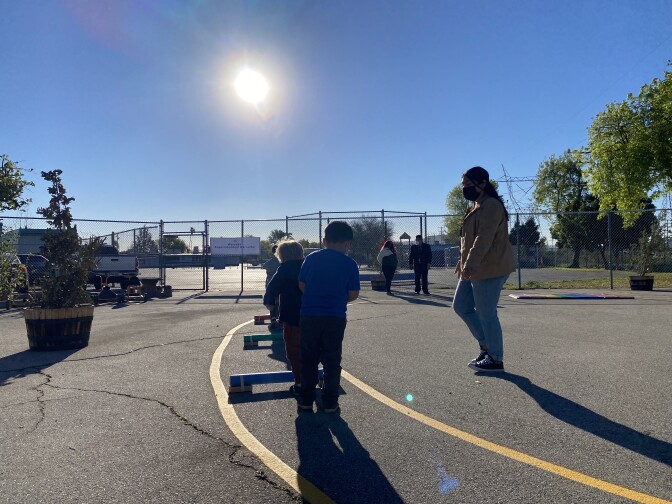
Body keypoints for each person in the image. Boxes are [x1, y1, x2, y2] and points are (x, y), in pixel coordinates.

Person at [452, 166, 515, 373]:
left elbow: (483, 239)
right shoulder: (474, 206)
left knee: (487, 313)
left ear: (482, 183)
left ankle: (496, 359)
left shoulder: (491, 206)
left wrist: (470, 263)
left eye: (468, 185)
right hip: (473, 266)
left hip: (490, 268)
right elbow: (467, 240)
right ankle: (486, 345)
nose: (465, 189)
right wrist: (462, 262)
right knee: (461, 306)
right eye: (463, 185)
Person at [297, 221, 360, 413]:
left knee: (308, 358)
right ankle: (331, 401)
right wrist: (338, 299)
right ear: (348, 243)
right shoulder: (350, 263)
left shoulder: (312, 258)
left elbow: (301, 284)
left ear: (324, 240)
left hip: (309, 315)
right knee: (332, 359)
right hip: (335, 317)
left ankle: (306, 399)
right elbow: (353, 293)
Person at [263, 240, 305, 396]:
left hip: (292, 315)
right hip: (312, 314)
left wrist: (269, 303)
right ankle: (312, 376)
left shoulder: (285, 268)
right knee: (311, 349)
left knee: (294, 349)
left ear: (281, 256)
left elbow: (273, 287)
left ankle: (300, 383)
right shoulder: (308, 266)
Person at [263, 245, 281, 323]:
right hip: (279, 285)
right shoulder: (282, 262)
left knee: (272, 302)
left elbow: (264, 266)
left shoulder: (269, 263)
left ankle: (273, 317)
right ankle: (279, 317)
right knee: (279, 301)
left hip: (270, 285)